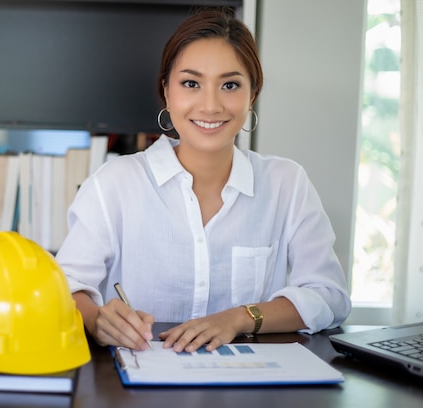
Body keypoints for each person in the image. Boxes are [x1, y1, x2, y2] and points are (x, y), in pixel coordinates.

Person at [55, 9, 351, 353]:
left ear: (252, 94)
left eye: (230, 85)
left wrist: (240, 317)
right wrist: (96, 319)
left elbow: (329, 297)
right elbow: (64, 287)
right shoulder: (114, 184)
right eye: (191, 83)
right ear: (166, 91)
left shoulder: (287, 183)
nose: (210, 105)